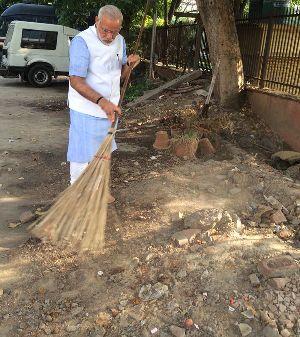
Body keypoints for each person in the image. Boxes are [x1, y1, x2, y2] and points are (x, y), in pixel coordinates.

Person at [67, 5, 140, 201]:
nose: (109, 36)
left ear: (120, 29)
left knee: (103, 151)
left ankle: (98, 188)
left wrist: (129, 66)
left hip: (109, 109)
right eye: (104, 30)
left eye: (114, 32)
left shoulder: (120, 41)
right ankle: (77, 193)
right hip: (86, 108)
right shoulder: (82, 41)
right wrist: (101, 101)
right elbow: (75, 81)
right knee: (82, 154)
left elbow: (122, 75)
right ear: (97, 22)